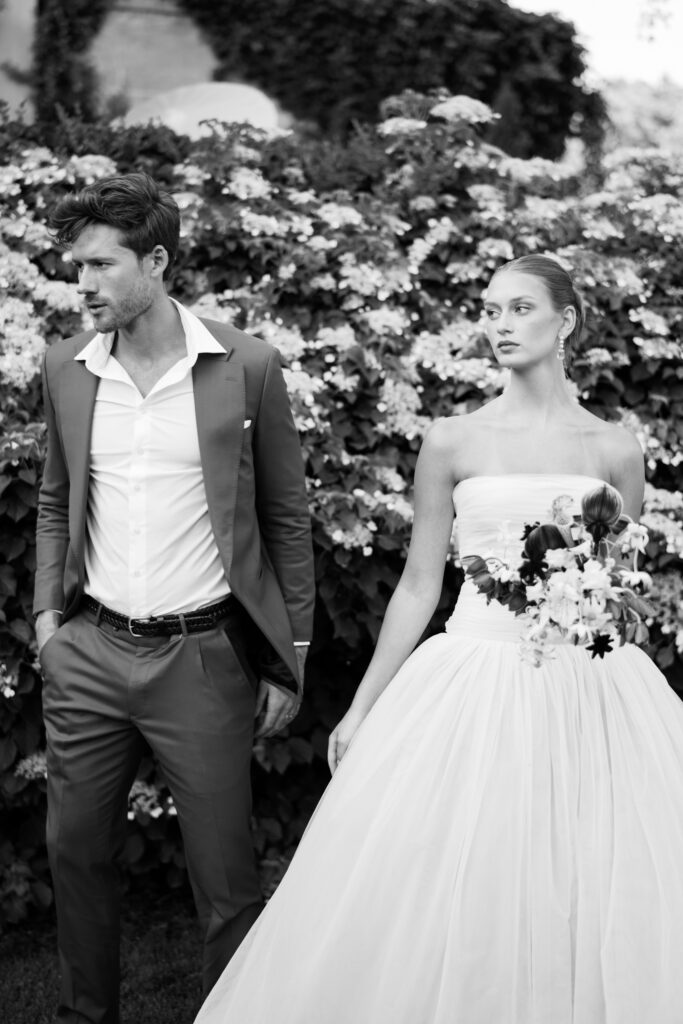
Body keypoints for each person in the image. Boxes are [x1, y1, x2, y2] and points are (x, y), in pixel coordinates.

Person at [193, 255, 683, 1024]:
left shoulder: (615, 449)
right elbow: (421, 584)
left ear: (566, 322)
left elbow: (618, 590)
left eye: (520, 308)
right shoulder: (451, 439)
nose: (499, 324)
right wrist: (360, 710)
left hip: (589, 686)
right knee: (463, 870)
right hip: (473, 677)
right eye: (490, 310)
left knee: (591, 868)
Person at [33, 171, 315, 1024]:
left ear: (155, 261)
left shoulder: (248, 366)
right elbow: (55, 496)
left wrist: (287, 657)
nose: (81, 284)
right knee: (75, 852)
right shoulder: (66, 368)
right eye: (73, 265)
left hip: (202, 657)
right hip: (88, 653)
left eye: (101, 265)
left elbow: (285, 518)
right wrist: (50, 620)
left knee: (224, 872)